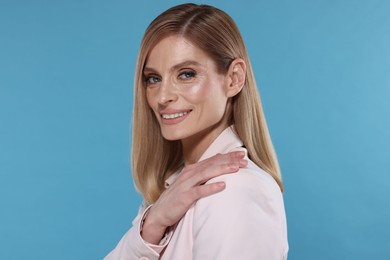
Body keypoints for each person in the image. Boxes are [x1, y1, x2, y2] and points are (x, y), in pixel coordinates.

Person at [105, 3, 288, 260]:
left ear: (234, 78)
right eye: (153, 78)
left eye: (186, 74)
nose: (163, 96)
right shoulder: (177, 189)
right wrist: (153, 225)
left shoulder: (233, 191)